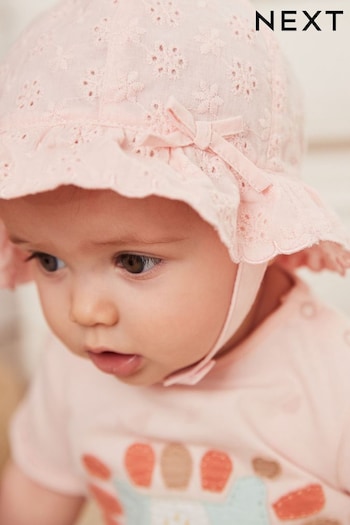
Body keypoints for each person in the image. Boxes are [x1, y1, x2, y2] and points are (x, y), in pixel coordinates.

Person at [0, 0, 349, 523]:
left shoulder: (332, 381)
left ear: (254, 233)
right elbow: (33, 497)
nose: (85, 311)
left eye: (134, 263)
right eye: (49, 261)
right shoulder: (73, 375)